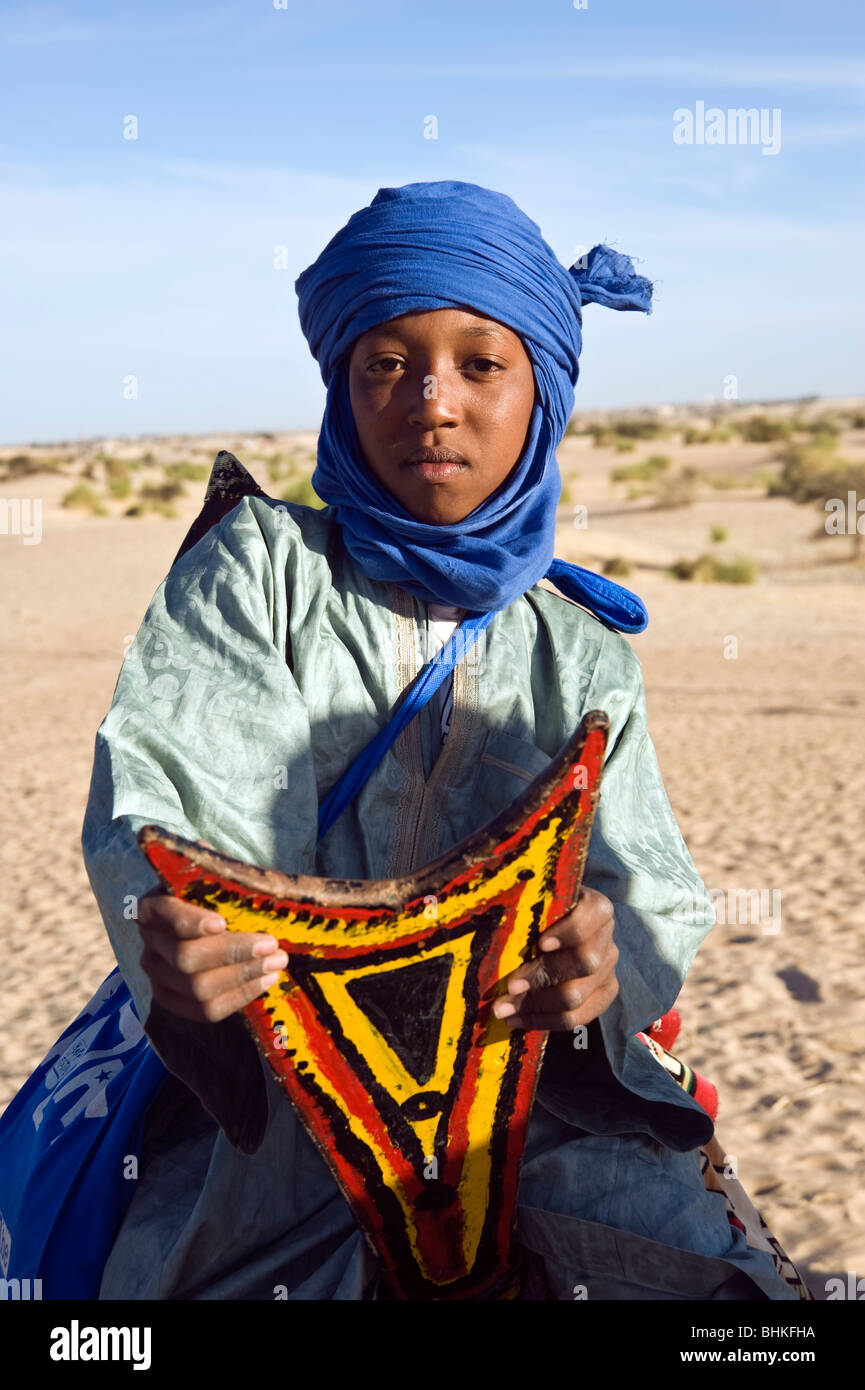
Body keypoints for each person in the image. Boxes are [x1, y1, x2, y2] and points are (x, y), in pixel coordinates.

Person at [81, 180, 800, 1300]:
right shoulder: (259, 573)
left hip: (537, 1099)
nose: (431, 402)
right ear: (340, 383)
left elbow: (646, 887)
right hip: (283, 1101)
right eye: (385, 361)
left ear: (542, 390)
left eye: (480, 362)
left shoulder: (585, 652)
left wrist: (604, 961)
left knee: (730, 1298)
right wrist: (177, 943)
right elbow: (165, 812)